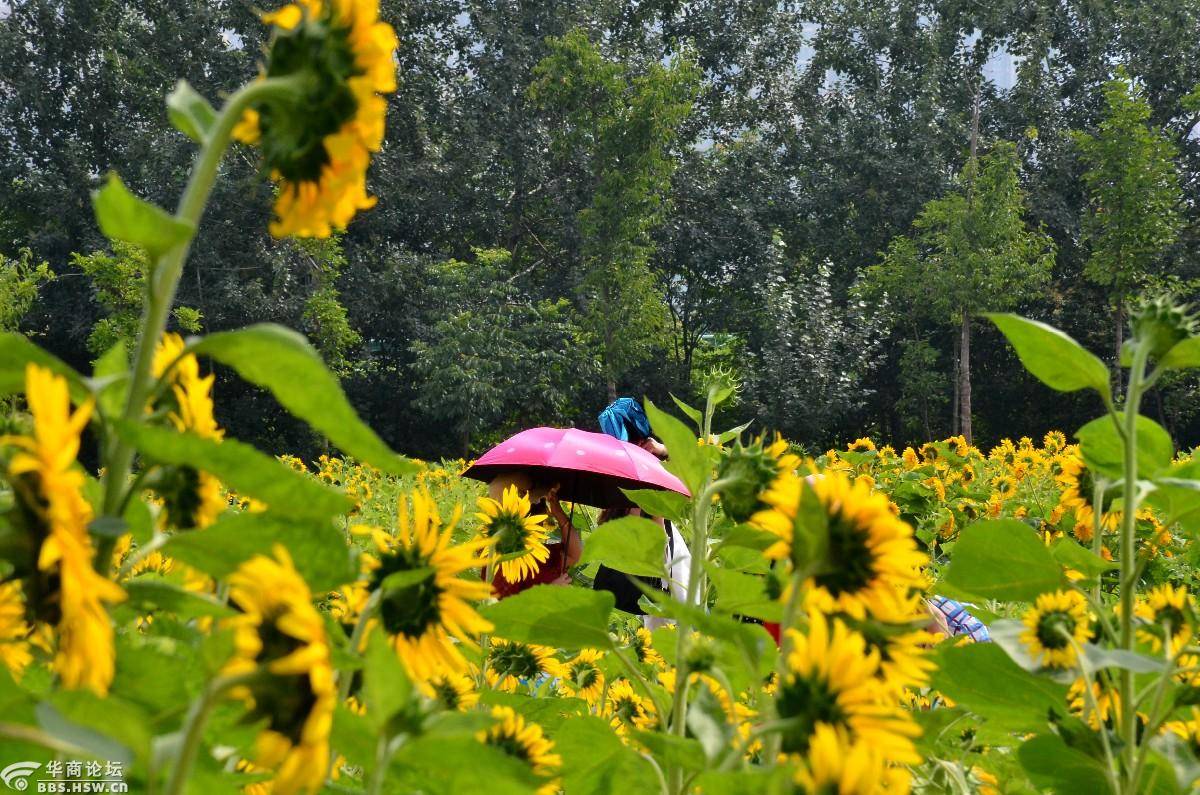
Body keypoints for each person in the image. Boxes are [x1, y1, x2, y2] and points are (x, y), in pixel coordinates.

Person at [593, 397, 692, 629]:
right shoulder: (628, 472)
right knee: (668, 621)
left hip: (661, 555)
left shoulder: (648, 463)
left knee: (671, 620)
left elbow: (694, 466)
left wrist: (661, 449)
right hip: (655, 556)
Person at [483, 472, 582, 599]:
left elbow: (575, 555)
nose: (545, 514)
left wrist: (559, 512)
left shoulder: (534, 552)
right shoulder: (501, 559)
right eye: (539, 504)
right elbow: (501, 611)